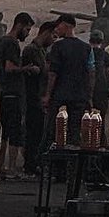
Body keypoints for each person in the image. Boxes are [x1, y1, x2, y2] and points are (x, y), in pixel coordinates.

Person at [0, 12, 36, 180]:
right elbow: (9, 67)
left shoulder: (2, 41)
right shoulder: (12, 43)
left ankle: (0, 167)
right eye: (27, 29)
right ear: (20, 25)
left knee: (4, 132)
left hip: (3, 92)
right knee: (14, 131)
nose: (27, 34)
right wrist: (27, 69)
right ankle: (11, 167)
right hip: (12, 93)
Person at [43, 13, 93, 147]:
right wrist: (89, 95)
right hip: (79, 97)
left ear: (66, 26)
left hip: (60, 96)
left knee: (54, 132)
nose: (56, 30)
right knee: (74, 133)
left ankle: (54, 165)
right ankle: (73, 164)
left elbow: (53, 73)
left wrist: (47, 95)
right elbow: (91, 72)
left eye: (58, 26)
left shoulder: (58, 47)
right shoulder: (87, 48)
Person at [22, 21, 55, 174]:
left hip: (38, 98)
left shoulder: (41, 51)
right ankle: (30, 164)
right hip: (32, 98)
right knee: (33, 134)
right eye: (53, 36)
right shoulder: (31, 50)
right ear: (46, 32)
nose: (54, 40)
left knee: (38, 133)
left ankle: (34, 163)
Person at [88, 29, 109, 119]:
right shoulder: (105, 55)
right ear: (102, 41)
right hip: (101, 92)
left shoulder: (85, 52)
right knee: (100, 120)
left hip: (86, 91)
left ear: (90, 40)